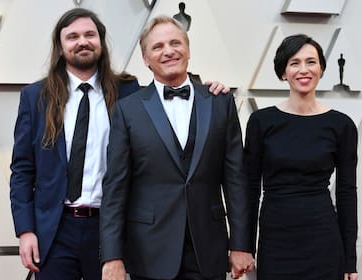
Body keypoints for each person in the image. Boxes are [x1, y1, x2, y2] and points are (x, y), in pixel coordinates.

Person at [9, 8, 230, 280]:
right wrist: (25, 230)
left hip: (112, 228)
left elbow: (169, 93)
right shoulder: (35, 97)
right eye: (73, 36)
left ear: (101, 42)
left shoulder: (128, 91)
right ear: (61, 45)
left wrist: (207, 88)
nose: (82, 41)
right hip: (54, 230)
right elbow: (22, 171)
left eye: (90, 34)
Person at [100, 15, 253, 280]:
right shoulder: (128, 110)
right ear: (145, 59)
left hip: (208, 249)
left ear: (188, 50)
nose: (168, 51)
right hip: (149, 251)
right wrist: (112, 256)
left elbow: (236, 180)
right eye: (157, 47)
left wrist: (241, 244)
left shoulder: (220, 103)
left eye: (175, 43)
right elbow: (115, 187)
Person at [243, 34, 358, 280]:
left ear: (321, 69)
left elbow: (347, 193)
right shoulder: (261, 122)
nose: (303, 70)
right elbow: (250, 189)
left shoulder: (341, 125)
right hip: (276, 239)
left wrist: (350, 260)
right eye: (294, 63)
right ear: (283, 72)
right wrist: (245, 247)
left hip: (323, 240)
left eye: (311, 62)